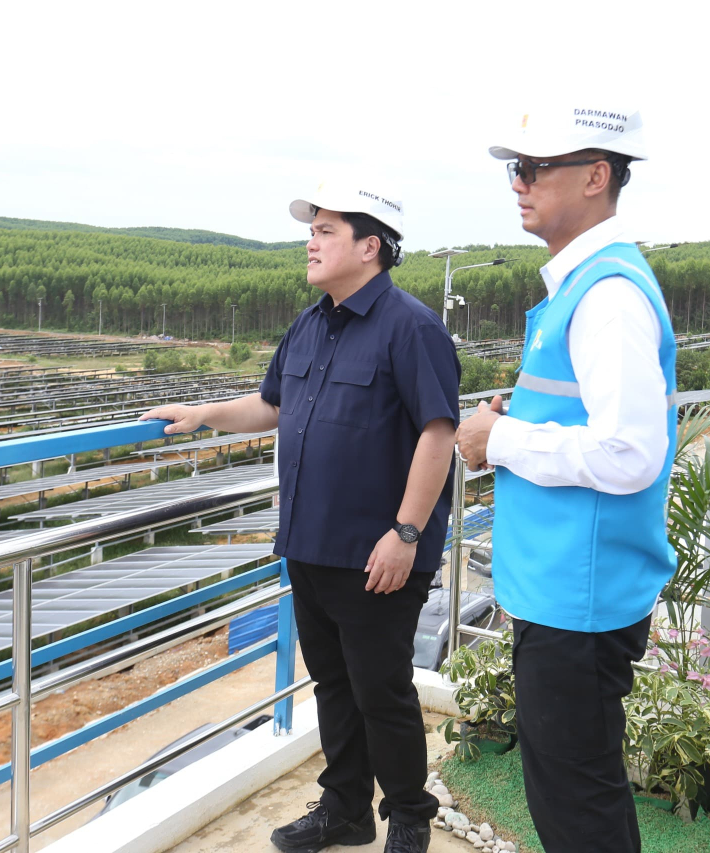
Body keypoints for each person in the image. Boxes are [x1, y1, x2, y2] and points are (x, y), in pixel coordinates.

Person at [143, 181, 459, 853]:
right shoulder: (311, 323)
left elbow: (438, 432)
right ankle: (345, 808)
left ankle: (408, 814)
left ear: (370, 246)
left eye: (325, 231)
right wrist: (203, 415)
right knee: (335, 684)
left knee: (383, 689)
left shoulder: (411, 327)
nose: (311, 242)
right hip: (311, 543)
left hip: (379, 552)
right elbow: (273, 405)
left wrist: (405, 533)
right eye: (310, 231)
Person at [456, 107, 677, 853]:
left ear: (596, 175)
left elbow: (629, 452)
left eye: (533, 168)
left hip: (577, 604)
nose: (517, 184)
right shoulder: (582, 287)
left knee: (577, 810)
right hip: (563, 592)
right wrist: (519, 418)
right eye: (513, 169)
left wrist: (500, 437)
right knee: (574, 798)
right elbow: (587, 416)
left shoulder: (607, 296)